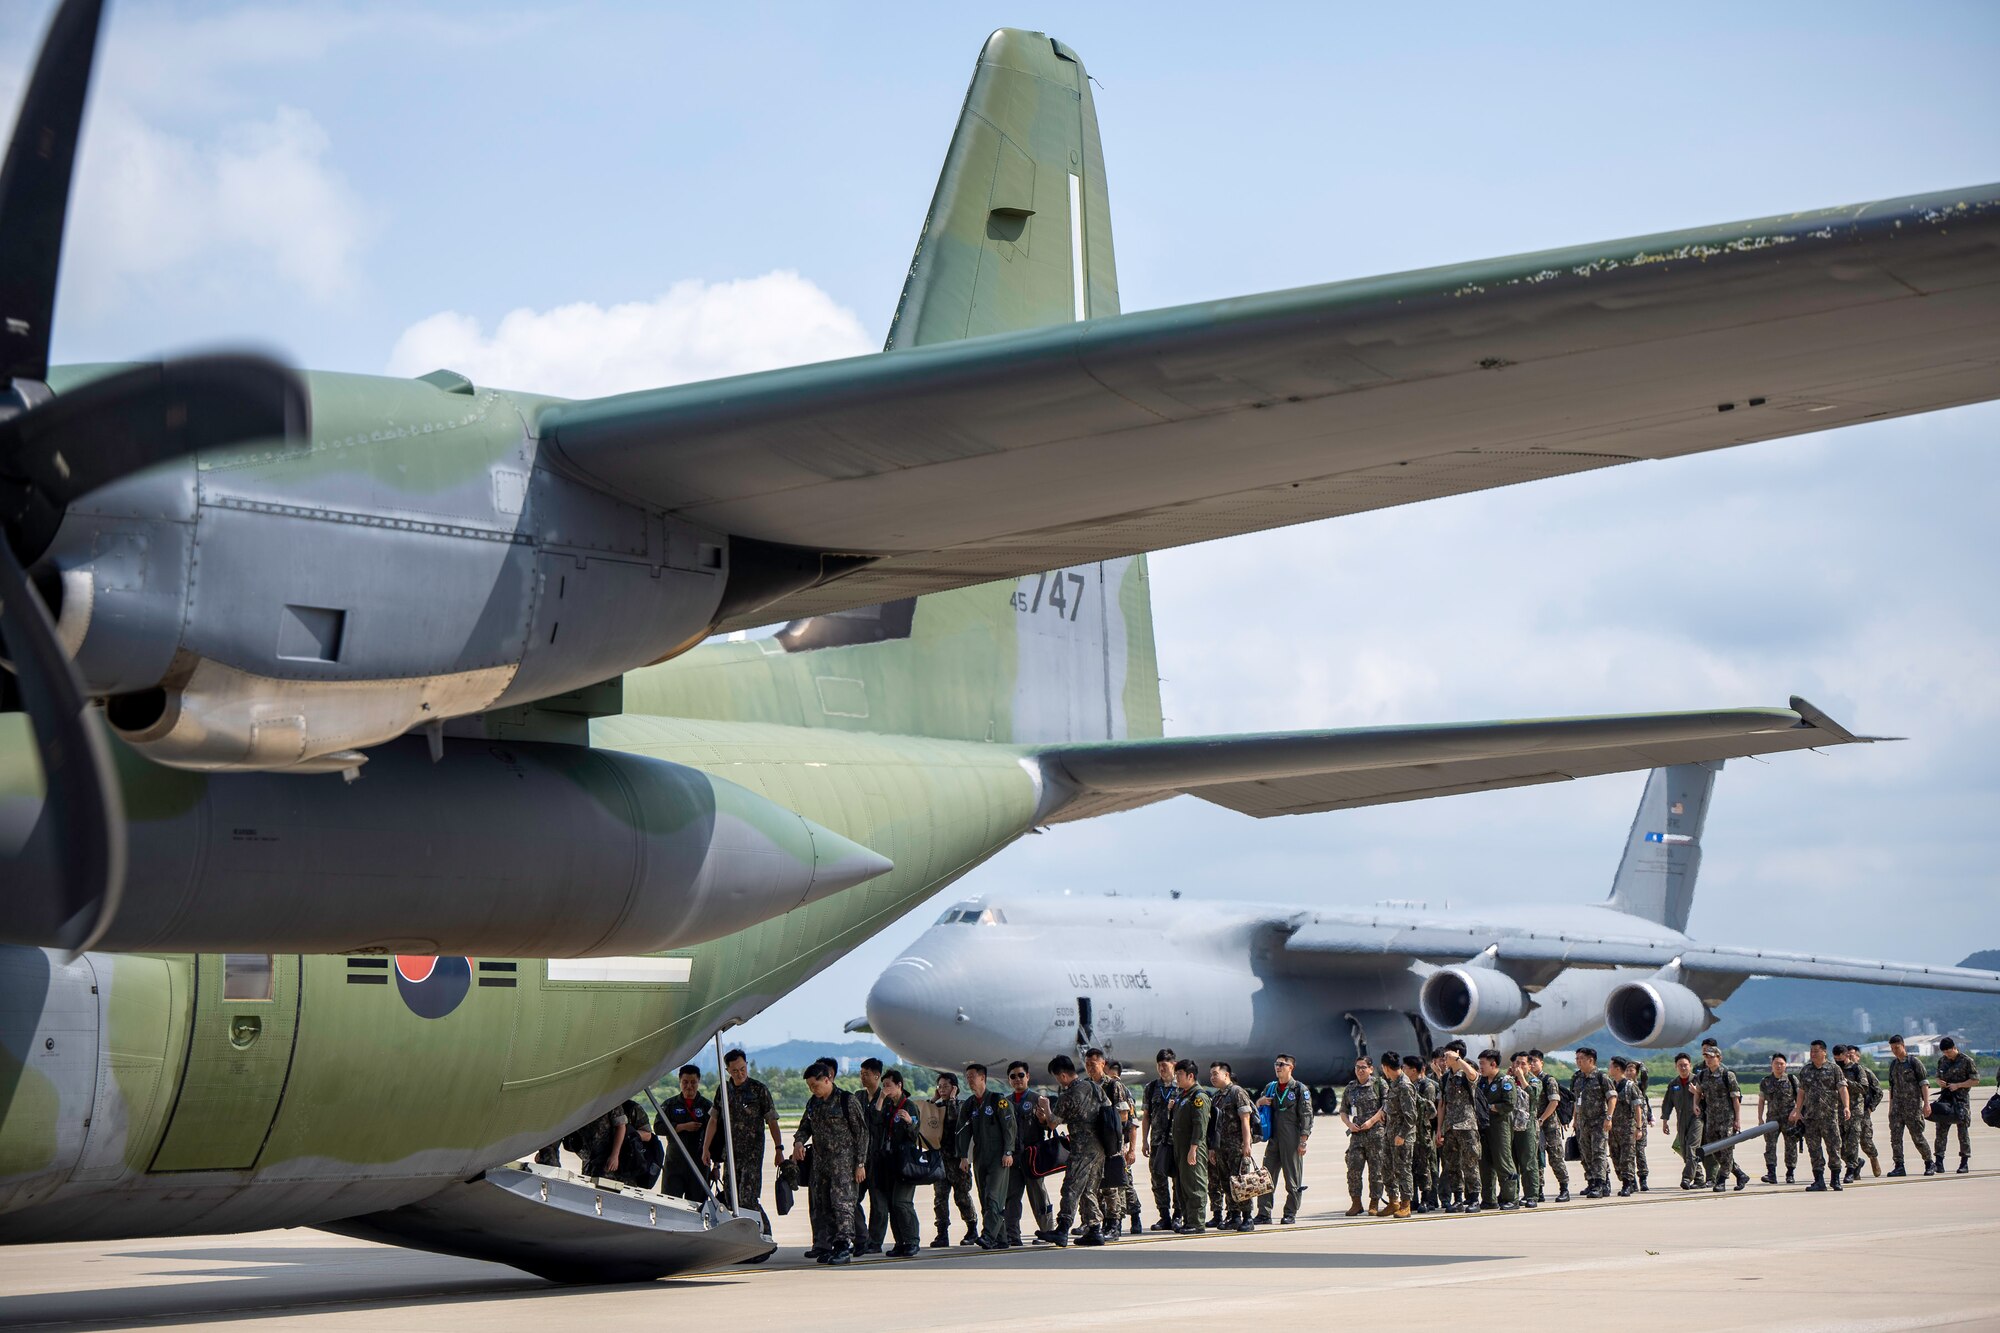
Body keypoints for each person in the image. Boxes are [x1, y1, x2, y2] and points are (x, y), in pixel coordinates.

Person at [794, 1062, 868, 1264]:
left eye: (815, 1085)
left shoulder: (847, 1100)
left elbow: (861, 1134)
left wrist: (860, 1163)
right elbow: (804, 1126)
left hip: (844, 1165)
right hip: (820, 1165)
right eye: (810, 1086)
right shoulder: (813, 1103)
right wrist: (799, 1141)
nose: (813, 1089)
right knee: (824, 1205)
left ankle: (844, 1246)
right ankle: (833, 1245)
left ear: (827, 1080)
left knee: (842, 1205)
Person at [702, 1048, 783, 1225]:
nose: (740, 1074)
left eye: (743, 1069)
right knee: (732, 1199)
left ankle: (764, 1233)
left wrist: (779, 1149)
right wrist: (706, 1148)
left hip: (752, 1155)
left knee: (748, 1198)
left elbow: (772, 1121)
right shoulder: (723, 1090)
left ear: (747, 1065)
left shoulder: (759, 1090)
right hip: (730, 1154)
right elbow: (714, 1121)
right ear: (728, 1071)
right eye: (735, 1071)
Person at [1037, 1054, 1107, 1247]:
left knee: (1071, 1186)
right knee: (1089, 1189)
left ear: (1062, 1076)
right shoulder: (1094, 1087)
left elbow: (1052, 1123)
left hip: (1082, 1148)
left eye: (1057, 1077)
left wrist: (1046, 1107)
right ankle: (1095, 1230)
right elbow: (1108, 1110)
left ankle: (1062, 1229)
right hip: (1100, 1147)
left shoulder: (1068, 1095)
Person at [957, 1062, 1015, 1249]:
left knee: (993, 1197)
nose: (969, 1080)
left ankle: (988, 1236)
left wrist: (1008, 1151)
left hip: (999, 1157)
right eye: (967, 1077)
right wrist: (963, 1156)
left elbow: (1009, 1128)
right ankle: (1002, 1238)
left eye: (972, 1076)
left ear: (983, 1078)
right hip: (980, 1156)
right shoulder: (970, 1104)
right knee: (984, 1199)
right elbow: (962, 1131)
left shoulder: (999, 1100)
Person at [1081, 1048, 1136, 1238]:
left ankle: (1114, 1224)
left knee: (1111, 1186)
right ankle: (1098, 1223)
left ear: (1102, 1064)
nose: (1089, 1068)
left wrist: (1116, 1140)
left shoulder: (1113, 1086)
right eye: (1087, 1064)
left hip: (1110, 1142)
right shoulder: (1086, 1086)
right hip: (1092, 1144)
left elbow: (1123, 1115)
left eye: (1093, 1064)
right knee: (1094, 1186)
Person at [1255, 1053, 1313, 1225]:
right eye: (1276, 1064)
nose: (1278, 1067)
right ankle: (1263, 1213)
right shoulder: (1270, 1088)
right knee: (1265, 1177)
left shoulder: (1299, 1089)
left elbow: (1307, 1116)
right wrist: (1260, 1102)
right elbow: (1258, 1109)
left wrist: (1303, 1141)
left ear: (1291, 1067)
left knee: (1292, 1179)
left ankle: (1290, 1212)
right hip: (1274, 1139)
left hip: (1292, 1139)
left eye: (1282, 1064)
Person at [1790, 1039, 1851, 1192]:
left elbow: (1843, 1089)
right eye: (1811, 1051)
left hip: (1830, 1117)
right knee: (1814, 1150)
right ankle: (1819, 1181)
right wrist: (1798, 1110)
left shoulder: (1834, 1069)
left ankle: (1835, 1180)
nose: (1813, 1054)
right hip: (1810, 1118)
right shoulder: (1805, 1070)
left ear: (1824, 1052)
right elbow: (1801, 1092)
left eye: (1816, 1051)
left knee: (1834, 1148)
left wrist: (1847, 1107)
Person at [1003, 1061, 1053, 1246]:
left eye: (1021, 1075)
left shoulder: (1038, 1100)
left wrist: (1043, 1120)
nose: (1017, 1079)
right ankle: (1012, 1234)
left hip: (1033, 1156)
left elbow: (1050, 1125)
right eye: (1013, 1076)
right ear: (1009, 1080)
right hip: (1014, 1158)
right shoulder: (1005, 1102)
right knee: (1011, 1197)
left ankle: (1047, 1231)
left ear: (1028, 1076)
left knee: (1039, 1195)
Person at [1691, 1039, 1750, 1193]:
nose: (1708, 1059)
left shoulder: (1727, 1075)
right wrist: (1695, 1104)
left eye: (1711, 1056)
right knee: (1714, 1149)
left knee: (1727, 1149)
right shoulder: (1702, 1075)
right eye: (1706, 1056)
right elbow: (1698, 1091)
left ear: (1719, 1058)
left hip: (1727, 1119)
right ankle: (1739, 1173)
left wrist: (1737, 1119)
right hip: (1711, 1118)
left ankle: (1722, 1180)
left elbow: (1735, 1099)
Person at [927, 1071, 978, 1247]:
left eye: (946, 1086)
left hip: (957, 1160)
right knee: (940, 1198)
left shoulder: (962, 1105)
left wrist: (952, 1099)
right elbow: (926, 1120)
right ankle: (942, 1233)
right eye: (939, 1086)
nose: (942, 1089)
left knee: (962, 1197)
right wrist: (934, 1101)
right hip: (940, 1160)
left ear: (954, 1087)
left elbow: (956, 1119)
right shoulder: (936, 1106)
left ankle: (972, 1228)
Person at [876, 1070, 922, 1257]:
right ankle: (900, 1242)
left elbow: (914, 1134)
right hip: (889, 1160)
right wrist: (880, 1098)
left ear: (899, 1085)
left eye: (888, 1085)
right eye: (883, 1085)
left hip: (905, 1161)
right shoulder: (887, 1105)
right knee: (891, 1204)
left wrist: (910, 1122)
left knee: (902, 1202)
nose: (885, 1088)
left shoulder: (909, 1106)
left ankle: (912, 1240)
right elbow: (875, 1123)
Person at [1207, 1062, 1257, 1231]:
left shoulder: (1237, 1092)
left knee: (1241, 1181)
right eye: (1211, 1075)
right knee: (1226, 1182)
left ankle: (1247, 1217)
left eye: (1215, 1074)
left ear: (1226, 1074)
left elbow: (1245, 1119)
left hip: (1237, 1146)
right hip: (1221, 1148)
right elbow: (1214, 1125)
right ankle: (1234, 1215)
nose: (1213, 1077)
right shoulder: (1217, 1097)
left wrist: (1246, 1144)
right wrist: (1212, 1148)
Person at [1338, 1055, 1388, 1217]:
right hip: (1357, 1135)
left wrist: (1372, 1121)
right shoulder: (1350, 1088)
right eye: (1357, 1067)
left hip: (1375, 1134)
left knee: (1376, 1171)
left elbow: (1385, 1106)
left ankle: (1374, 1202)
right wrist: (1349, 1125)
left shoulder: (1379, 1084)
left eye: (1363, 1067)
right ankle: (1356, 1203)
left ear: (1371, 1069)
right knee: (1353, 1168)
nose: (1360, 1070)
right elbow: (1343, 1110)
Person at [654, 1065, 712, 1202]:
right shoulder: (670, 1104)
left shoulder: (707, 1106)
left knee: (699, 1207)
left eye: (693, 1082)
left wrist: (716, 1166)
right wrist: (681, 1127)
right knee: (670, 1205)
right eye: (685, 1082)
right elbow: (658, 1127)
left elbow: (717, 1135)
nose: (689, 1086)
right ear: (680, 1082)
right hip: (674, 1164)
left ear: (699, 1082)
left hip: (699, 1165)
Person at [1436, 1045, 1482, 1213]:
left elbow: (1474, 1076)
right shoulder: (1445, 1078)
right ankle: (1458, 1198)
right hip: (1450, 1127)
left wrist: (1458, 1060)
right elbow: (1442, 1104)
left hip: (1467, 1125)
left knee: (1470, 1163)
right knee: (1452, 1165)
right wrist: (1439, 1128)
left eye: (1447, 1056)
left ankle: (1474, 1198)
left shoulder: (1467, 1072)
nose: (1444, 1060)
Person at [1168, 1059, 1211, 1233]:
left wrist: (1194, 1148)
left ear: (1190, 1076)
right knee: (1182, 1186)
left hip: (1193, 1148)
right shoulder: (1183, 1096)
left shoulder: (1198, 1097)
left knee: (1195, 1184)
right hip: (1180, 1148)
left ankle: (1197, 1222)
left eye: (1179, 1075)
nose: (1176, 1078)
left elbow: (1199, 1125)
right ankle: (1188, 1220)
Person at [1474, 1049, 1520, 1211]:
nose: (1481, 1067)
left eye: (1483, 1064)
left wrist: (1489, 1108)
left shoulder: (1505, 1081)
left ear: (1493, 1064)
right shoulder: (1482, 1082)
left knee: (1503, 1162)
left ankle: (1510, 1198)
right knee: (1484, 1164)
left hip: (1500, 1127)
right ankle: (1488, 1199)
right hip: (1484, 1127)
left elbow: (1509, 1104)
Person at [1142, 1049, 1181, 1231]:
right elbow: (1146, 1116)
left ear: (1174, 1064)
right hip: (1157, 1142)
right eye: (1159, 1066)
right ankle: (1164, 1216)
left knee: (1178, 1180)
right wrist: (1144, 1140)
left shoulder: (1181, 1086)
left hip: (1176, 1141)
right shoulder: (1151, 1088)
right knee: (1158, 1180)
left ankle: (1178, 1215)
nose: (1161, 1069)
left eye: (1164, 1066)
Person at [1883, 1034, 1932, 1176]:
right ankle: (1899, 1166)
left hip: (1913, 1107)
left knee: (1917, 1136)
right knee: (1895, 1138)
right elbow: (1891, 1088)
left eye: (1897, 1047)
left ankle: (1929, 1163)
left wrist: (1926, 1104)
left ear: (1903, 1046)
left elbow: (1924, 1084)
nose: (1894, 1051)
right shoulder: (1893, 1065)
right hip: (1897, 1108)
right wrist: (1890, 1108)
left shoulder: (1914, 1062)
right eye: (1892, 1048)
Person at [855, 1057, 890, 1254]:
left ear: (877, 1076)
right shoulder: (857, 1097)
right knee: (852, 1199)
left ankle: (875, 1242)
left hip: (878, 1158)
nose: (862, 1077)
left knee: (878, 1203)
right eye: (861, 1074)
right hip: (860, 1158)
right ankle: (862, 1236)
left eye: (866, 1074)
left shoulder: (885, 1098)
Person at [1570, 1047, 1614, 1199]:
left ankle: (1600, 1184)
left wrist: (1609, 1118)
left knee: (1599, 1154)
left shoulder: (1602, 1077)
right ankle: (1592, 1181)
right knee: (1586, 1154)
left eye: (1581, 1058)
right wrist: (1575, 1120)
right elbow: (1577, 1101)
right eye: (1577, 1059)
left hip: (1599, 1123)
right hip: (1583, 1123)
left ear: (1591, 1060)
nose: (1578, 1061)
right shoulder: (1578, 1078)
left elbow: (1612, 1098)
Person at [1931, 1036, 1978, 1174]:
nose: (1947, 1055)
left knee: (1962, 1131)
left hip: (1961, 1100)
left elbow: (1975, 1080)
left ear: (1954, 1048)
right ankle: (1939, 1161)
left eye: (1949, 1052)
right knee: (1940, 1130)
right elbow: (1937, 1077)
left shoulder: (1967, 1061)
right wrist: (1939, 1082)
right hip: (1946, 1099)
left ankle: (1964, 1162)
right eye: (1944, 1052)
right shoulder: (1942, 1061)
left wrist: (1959, 1085)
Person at [1835, 1045, 1882, 1181]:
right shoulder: (1837, 1070)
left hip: (1860, 1111)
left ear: (1857, 1056)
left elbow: (1876, 1091)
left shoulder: (1862, 1071)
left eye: (1852, 1055)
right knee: (1841, 1145)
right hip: (1841, 1112)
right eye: (1847, 1055)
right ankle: (1856, 1164)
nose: (1849, 1057)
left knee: (1864, 1141)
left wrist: (1870, 1107)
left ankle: (1872, 1157)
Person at [1528, 1050, 1568, 1204]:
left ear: (1541, 1063)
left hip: (1549, 1126)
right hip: (1534, 1126)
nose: (1532, 1064)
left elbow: (1554, 1102)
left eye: (1535, 1061)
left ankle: (1564, 1188)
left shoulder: (1548, 1080)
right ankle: (1539, 1190)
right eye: (1529, 1061)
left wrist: (1542, 1119)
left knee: (1556, 1158)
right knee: (1536, 1159)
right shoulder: (1528, 1080)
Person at [1755, 1053, 1801, 1185]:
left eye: (1781, 1063)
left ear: (1786, 1065)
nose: (1779, 1066)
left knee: (1791, 1146)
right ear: (1772, 1065)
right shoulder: (1766, 1081)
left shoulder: (1792, 1080)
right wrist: (1760, 1118)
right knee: (1770, 1146)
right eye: (1776, 1063)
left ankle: (1790, 1173)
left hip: (1789, 1119)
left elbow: (1800, 1098)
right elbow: (1762, 1100)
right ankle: (1771, 1173)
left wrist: (1796, 1111)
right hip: (1772, 1119)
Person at [1384, 1054, 1419, 1218]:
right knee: (1388, 1169)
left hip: (1401, 1136)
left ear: (1385, 1067)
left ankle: (1406, 1204)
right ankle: (1393, 1202)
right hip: (1390, 1134)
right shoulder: (1394, 1084)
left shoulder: (1404, 1085)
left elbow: (1411, 1115)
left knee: (1403, 1170)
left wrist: (1402, 1135)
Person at [1507, 1053, 1539, 1207]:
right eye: (1516, 1063)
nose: (1519, 1067)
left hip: (1526, 1126)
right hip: (1510, 1125)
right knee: (1511, 1163)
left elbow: (1533, 1096)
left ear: (1529, 1066)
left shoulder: (1534, 1081)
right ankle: (1513, 1196)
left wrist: (1522, 1079)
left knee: (1528, 1163)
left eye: (1523, 1064)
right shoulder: (1510, 1081)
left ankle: (1532, 1195)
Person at [1607, 1058, 1642, 1197]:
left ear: (1617, 1069)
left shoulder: (1629, 1086)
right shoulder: (1610, 1085)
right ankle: (1630, 1181)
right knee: (1615, 1157)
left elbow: (1637, 1107)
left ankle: (1627, 1184)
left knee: (1627, 1158)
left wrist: (1639, 1127)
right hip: (1613, 1128)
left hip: (1627, 1128)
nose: (1609, 1069)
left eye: (1611, 1066)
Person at [1413, 1053, 1442, 1212]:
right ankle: (1414, 1199)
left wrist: (1437, 1131)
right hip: (1413, 1133)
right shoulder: (1409, 1085)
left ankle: (1431, 1199)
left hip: (1427, 1131)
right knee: (1414, 1166)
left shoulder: (1428, 1086)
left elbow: (1431, 1111)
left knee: (1429, 1166)